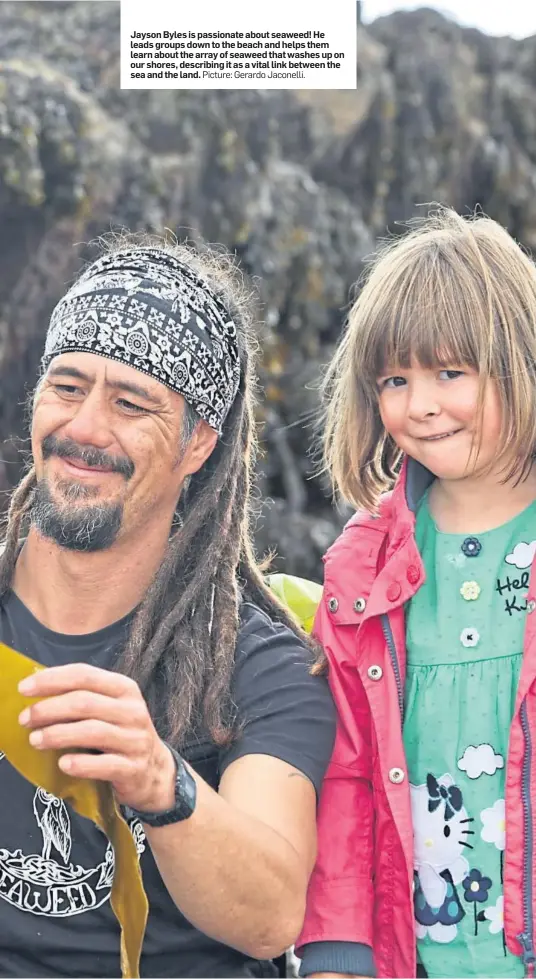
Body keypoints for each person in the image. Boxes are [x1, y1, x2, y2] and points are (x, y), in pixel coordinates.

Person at [0, 237, 336, 979]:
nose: (84, 427)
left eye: (131, 403)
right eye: (67, 386)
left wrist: (164, 781)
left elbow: (271, 913)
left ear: (198, 443)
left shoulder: (261, 666)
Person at [296, 208, 536, 979]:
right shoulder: (360, 572)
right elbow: (344, 775)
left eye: (450, 372)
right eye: (395, 380)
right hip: (415, 960)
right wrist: (335, 953)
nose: (421, 404)